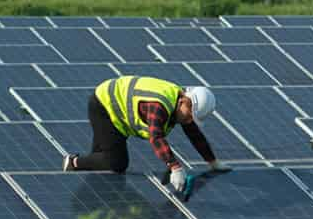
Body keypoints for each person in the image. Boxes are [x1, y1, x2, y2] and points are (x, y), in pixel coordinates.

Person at [62, 75, 227, 190]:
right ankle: (72, 162)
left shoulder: (181, 104)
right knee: (116, 163)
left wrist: (212, 162)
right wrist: (175, 167)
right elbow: (155, 137)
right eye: (190, 116)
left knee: (102, 159)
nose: (189, 120)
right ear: (184, 101)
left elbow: (195, 135)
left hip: (117, 112)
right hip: (105, 107)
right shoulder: (159, 106)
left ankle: (92, 167)